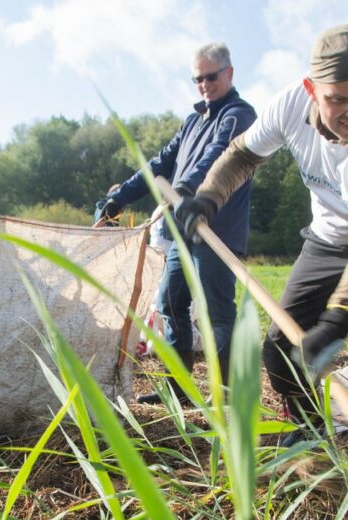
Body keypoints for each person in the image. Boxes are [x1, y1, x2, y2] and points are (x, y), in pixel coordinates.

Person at [176, 24, 348, 436]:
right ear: (311, 87)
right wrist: (208, 198)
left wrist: (336, 324)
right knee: (282, 351)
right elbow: (241, 156)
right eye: (338, 99)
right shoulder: (290, 105)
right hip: (330, 236)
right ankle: (315, 438)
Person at [94, 42, 256, 405]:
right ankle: (179, 389)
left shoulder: (239, 115)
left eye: (210, 77)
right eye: (197, 78)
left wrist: (184, 188)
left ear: (229, 73)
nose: (203, 85)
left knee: (217, 313)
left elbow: (218, 157)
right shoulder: (193, 120)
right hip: (179, 231)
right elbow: (159, 163)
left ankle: (226, 395)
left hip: (215, 229)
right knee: (170, 303)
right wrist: (120, 197)